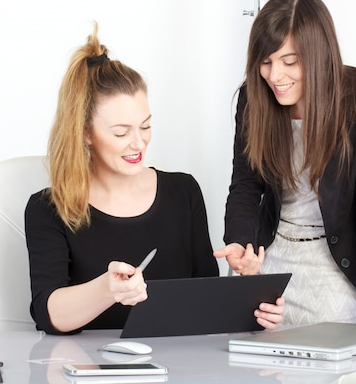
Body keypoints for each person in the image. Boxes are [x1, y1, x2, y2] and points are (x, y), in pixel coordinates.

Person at [24, 23, 285, 334]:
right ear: (85, 133)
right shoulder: (48, 209)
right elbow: (48, 313)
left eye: (145, 126)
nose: (139, 143)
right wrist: (107, 290)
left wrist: (252, 302)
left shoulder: (183, 192)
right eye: (121, 132)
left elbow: (203, 301)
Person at [214, 0, 356, 328]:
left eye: (289, 62)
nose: (275, 76)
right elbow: (246, 185)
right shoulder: (253, 98)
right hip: (270, 257)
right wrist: (240, 244)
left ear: (318, 54)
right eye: (265, 62)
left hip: (334, 264)